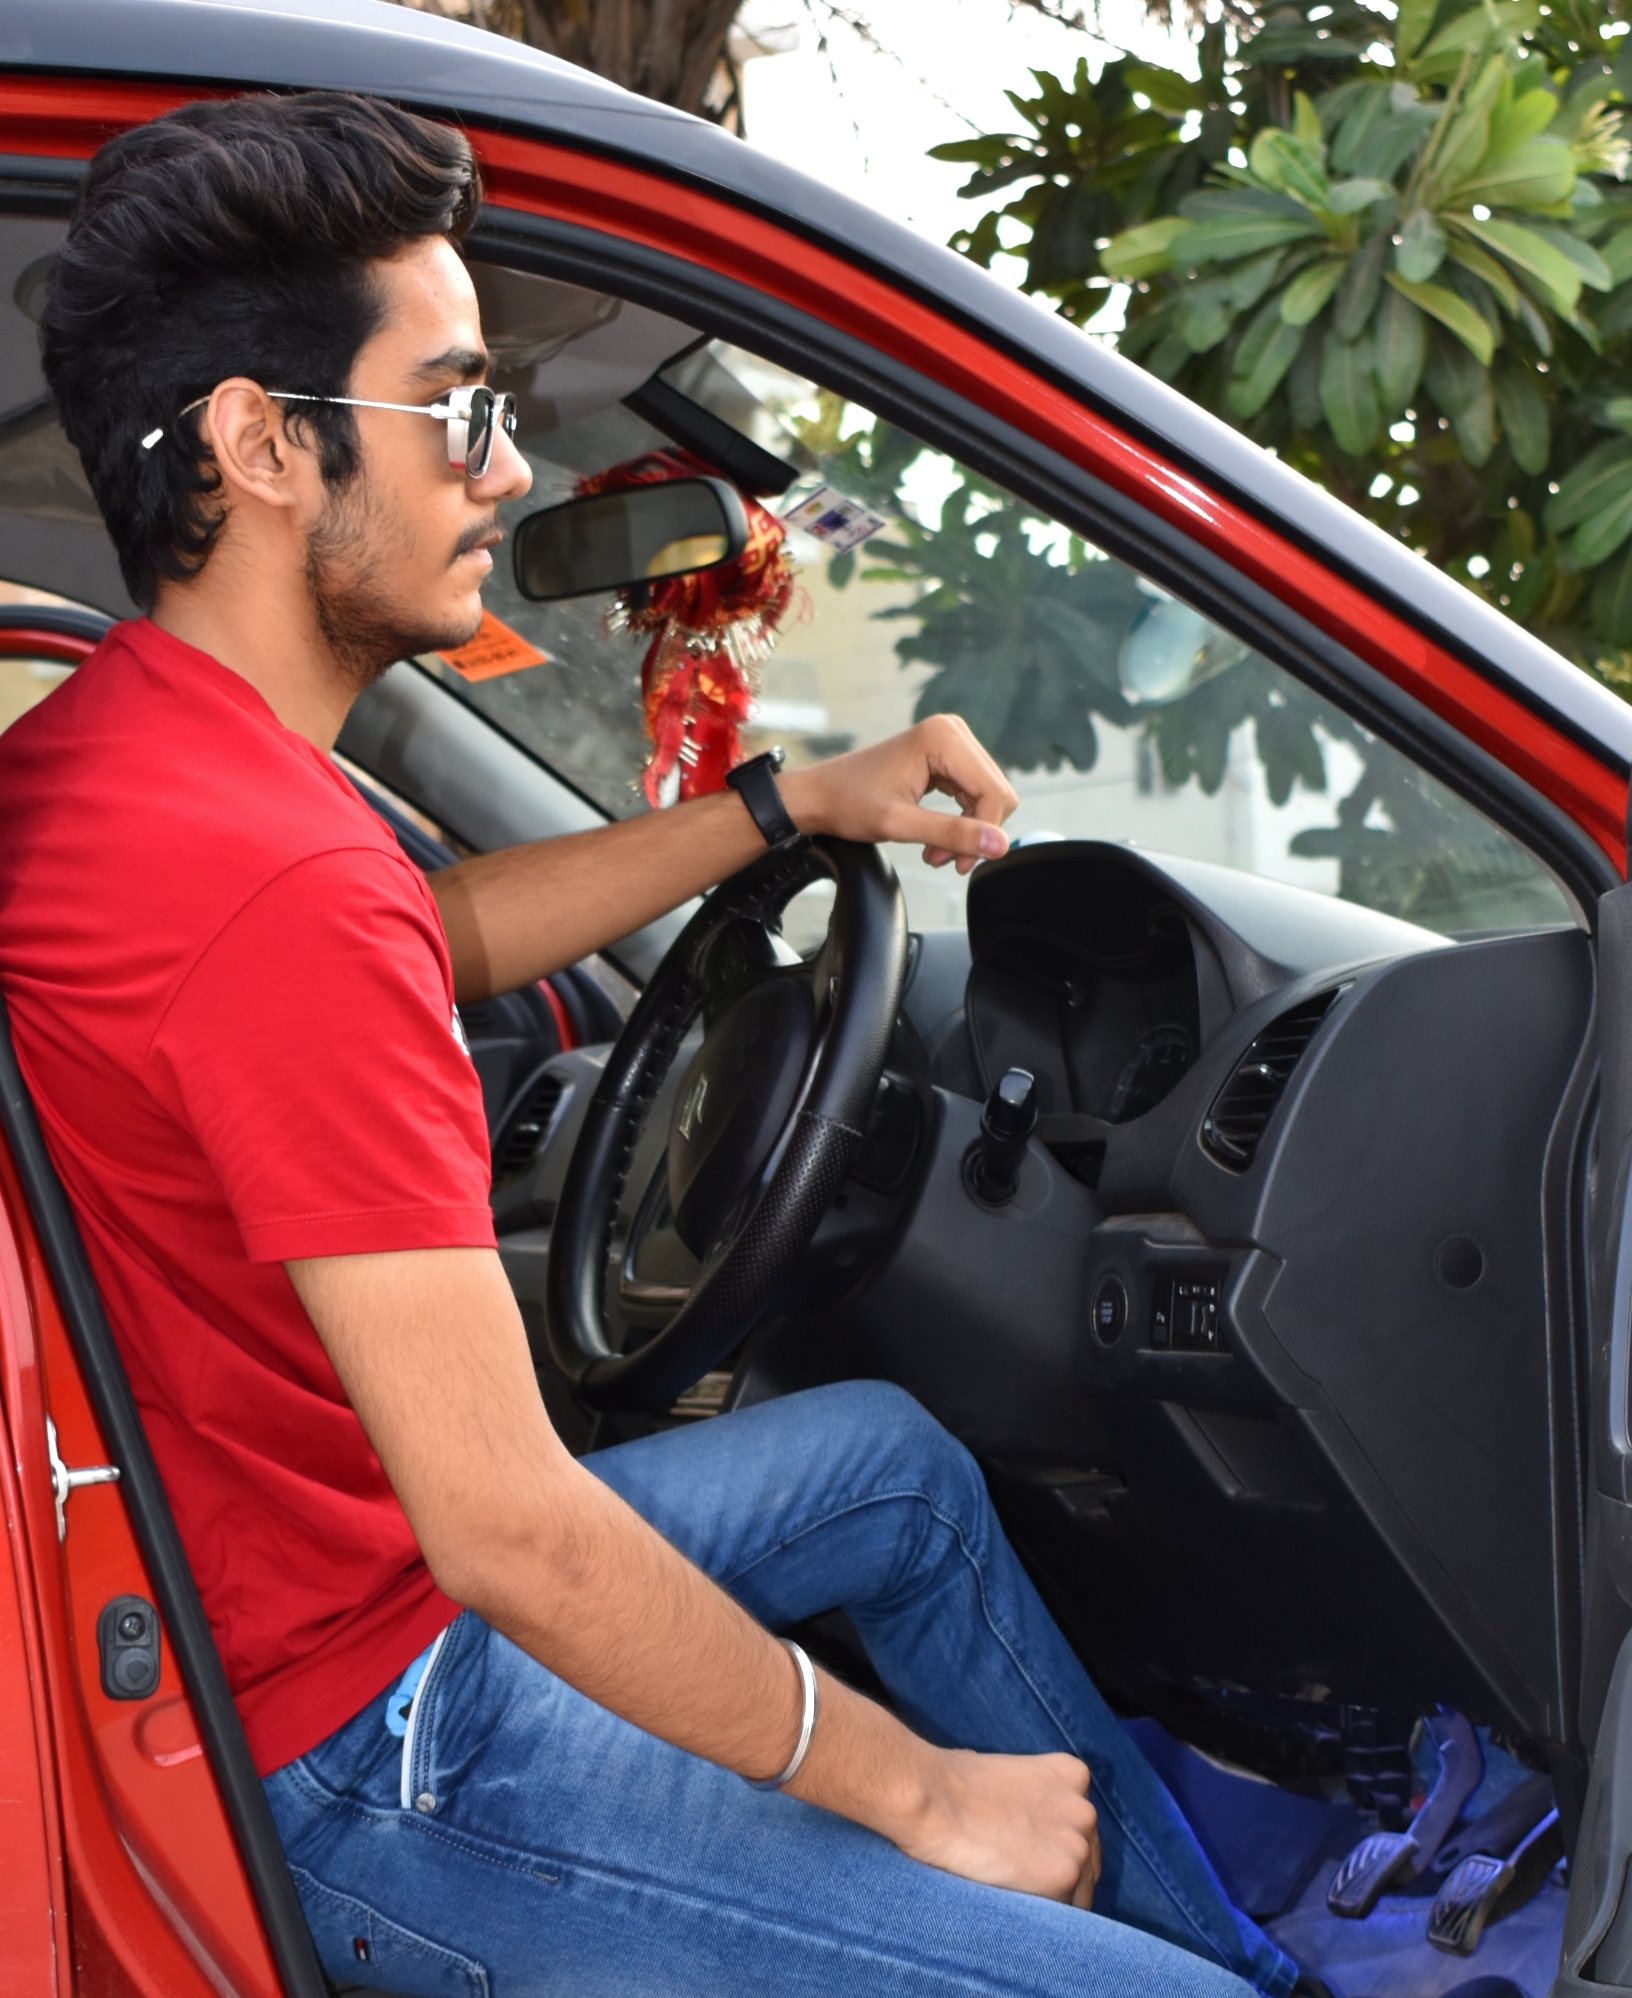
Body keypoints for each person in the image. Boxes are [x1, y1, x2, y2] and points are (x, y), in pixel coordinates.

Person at [0, 91, 1305, 1998]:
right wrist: (921, 1794)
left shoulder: (118, 758)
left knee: (889, 1471)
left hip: (298, 1601)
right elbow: (511, 1534)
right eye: (456, 410)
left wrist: (788, 807)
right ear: (264, 443)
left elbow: (433, 934)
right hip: (365, 1738)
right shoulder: (274, 882)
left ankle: (1227, 1953)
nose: (509, 469)